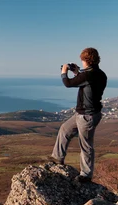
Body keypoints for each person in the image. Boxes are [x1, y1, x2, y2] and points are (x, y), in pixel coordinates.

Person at [50, 47, 107, 183]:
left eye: (82, 60)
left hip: (87, 116)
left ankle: (86, 175)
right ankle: (57, 158)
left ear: (85, 60)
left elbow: (68, 84)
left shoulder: (88, 75)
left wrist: (64, 72)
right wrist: (77, 72)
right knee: (65, 129)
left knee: (86, 145)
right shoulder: (99, 73)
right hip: (84, 113)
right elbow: (87, 84)